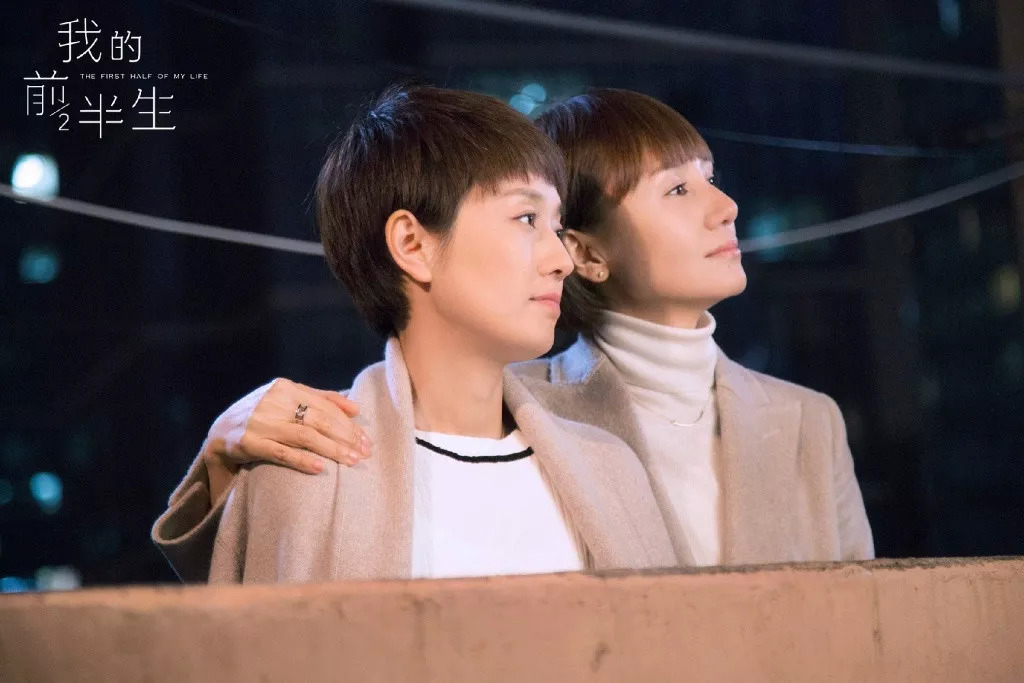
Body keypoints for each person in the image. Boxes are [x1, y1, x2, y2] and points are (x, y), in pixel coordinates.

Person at [156, 88, 872, 574]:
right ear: (412, 244)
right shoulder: (307, 469)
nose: (558, 257)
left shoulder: (605, 468)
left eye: (556, 225)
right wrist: (226, 454)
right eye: (527, 218)